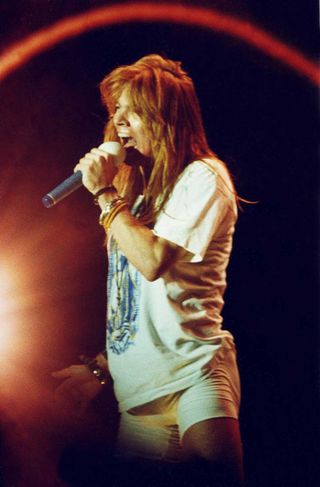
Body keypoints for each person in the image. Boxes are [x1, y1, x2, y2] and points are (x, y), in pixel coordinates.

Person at [52, 54, 244, 486]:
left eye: (130, 110)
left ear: (163, 119)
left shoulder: (203, 177)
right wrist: (103, 366)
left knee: (216, 479)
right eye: (114, 109)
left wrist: (103, 192)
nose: (117, 120)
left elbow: (153, 262)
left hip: (194, 373)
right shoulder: (134, 195)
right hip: (138, 393)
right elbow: (135, 298)